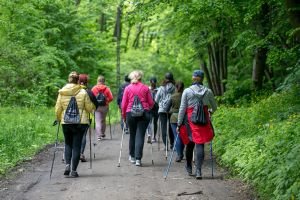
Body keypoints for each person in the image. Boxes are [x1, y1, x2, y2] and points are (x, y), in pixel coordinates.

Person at [177, 70, 217, 179]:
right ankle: (198, 171)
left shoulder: (187, 91)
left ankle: (189, 166)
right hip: (203, 119)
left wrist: (179, 123)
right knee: (200, 143)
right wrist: (209, 111)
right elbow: (215, 107)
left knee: (190, 143)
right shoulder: (208, 91)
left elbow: (182, 108)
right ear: (202, 78)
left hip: (190, 120)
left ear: (194, 78)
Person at [55, 71, 95, 178]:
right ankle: (73, 171)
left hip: (66, 122)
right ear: (78, 80)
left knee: (68, 144)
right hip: (80, 122)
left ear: (68, 80)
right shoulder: (83, 92)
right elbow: (89, 108)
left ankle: (67, 165)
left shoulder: (62, 92)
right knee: (76, 146)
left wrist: (59, 118)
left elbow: (58, 108)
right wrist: (93, 108)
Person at [121, 70, 154, 166]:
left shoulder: (127, 88)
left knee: (132, 134)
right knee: (140, 135)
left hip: (130, 114)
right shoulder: (145, 88)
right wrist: (147, 108)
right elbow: (151, 103)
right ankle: (138, 159)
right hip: (144, 114)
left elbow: (123, 104)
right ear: (140, 77)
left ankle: (132, 156)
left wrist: (124, 116)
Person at [155, 72, 175, 150]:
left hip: (162, 110)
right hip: (171, 110)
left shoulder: (161, 88)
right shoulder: (175, 87)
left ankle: (166, 146)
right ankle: (172, 144)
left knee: (163, 127)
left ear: (165, 78)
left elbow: (156, 100)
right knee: (171, 127)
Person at [91, 75, 114, 140]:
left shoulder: (94, 88)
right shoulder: (107, 88)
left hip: (97, 107)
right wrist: (107, 102)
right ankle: (103, 133)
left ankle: (99, 136)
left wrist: (94, 103)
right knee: (103, 120)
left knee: (98, 121)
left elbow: (91, 97)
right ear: (104, 81)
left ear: (97, 81)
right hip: (105, 107)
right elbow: (111, 98)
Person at [169, 81, 185, 162]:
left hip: (174, 118)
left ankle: (180, 154)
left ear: (176, 87)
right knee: (183, 135)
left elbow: (167, 107)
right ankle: (181, 152)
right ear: (183, 87)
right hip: (184, 118)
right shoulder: (185, 95)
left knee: (177, 136)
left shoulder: (172, 96)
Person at [146, 76, 159, 143]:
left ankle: (152, 136)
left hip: (154, 108)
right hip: (152, 108)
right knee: (151, 122)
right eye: (152, 82)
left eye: (153, 83)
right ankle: (151, 136)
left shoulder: (158, 90)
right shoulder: (148, 89)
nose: (153, 84)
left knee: (153, 122)